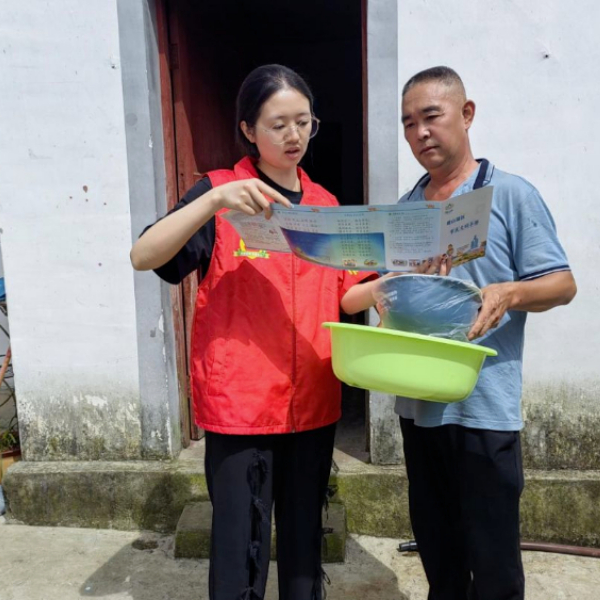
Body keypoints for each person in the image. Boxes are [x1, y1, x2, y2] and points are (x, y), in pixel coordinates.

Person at [130, 64, 375, 600]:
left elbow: (348, 294)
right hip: (240, 406)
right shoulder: (219, 194)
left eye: (304, 123)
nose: (294, 136)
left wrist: (391, 284)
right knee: (239, 549)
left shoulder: (326, 205)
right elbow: (144, 255)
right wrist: (213, 201)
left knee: (304, 542)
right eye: (278, 125)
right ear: (248, 129)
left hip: (312, 401)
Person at [344, 66, 577, 600]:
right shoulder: (405, 211)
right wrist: (392, 295)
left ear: (466, 114)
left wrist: (509, 293)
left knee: (493, 564)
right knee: (440, 556)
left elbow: (563, 284)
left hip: (484, 408)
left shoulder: (510, 195)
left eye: (431, 116)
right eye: (408, 123)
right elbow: (367, 294)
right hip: (419, 406)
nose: (420, 132)